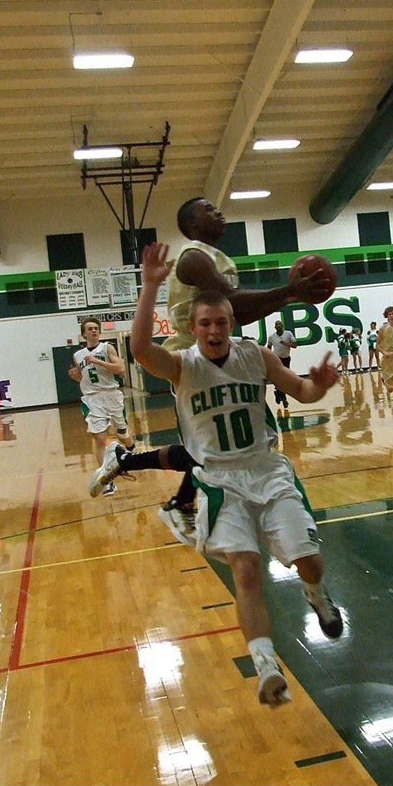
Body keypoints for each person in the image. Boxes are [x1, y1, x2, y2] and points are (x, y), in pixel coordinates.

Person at [130, 241, 344, 708]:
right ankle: (266, 665)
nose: (213, 330)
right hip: (219, 481)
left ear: (232, 324)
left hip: (267, 471)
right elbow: (140, 347)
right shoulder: (182, 366)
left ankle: (316, 591)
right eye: (205, 323)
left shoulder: (256, 356)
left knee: (307, 560)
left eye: (221, 322)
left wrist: (319, 386)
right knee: (245, 570)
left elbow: (301, 391)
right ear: (192, 328)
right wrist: (149, 287)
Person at [89, 197, 329, 536]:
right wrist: (289, 292)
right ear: (191, 224)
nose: (218, 211)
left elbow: (236, 312)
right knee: (220, 449)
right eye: (208, 209)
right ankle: (177, 500)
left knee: (215, 446)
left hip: (222, 358)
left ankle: (138, 470)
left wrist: (289, 295)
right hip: (191, 359)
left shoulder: (216, 258)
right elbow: (230, 303)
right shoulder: (193, 259)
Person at [71, 317, 136, 497]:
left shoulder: (107, 348)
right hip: (92, 399)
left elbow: (121, 369)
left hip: (111, 396)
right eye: (90, 329)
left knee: (123, 434)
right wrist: (76, 377)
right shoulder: (78, 355)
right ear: (84, 334)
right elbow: (84, 377)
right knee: (99, 439)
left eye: (96, 328)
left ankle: (131, 448)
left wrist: (98, 362)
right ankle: (106, 481)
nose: (94, 331)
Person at [265, 319, 297, 410]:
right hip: (276, 359)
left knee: (285, 379)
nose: (278, 325)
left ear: (282, 326)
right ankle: (284, 398)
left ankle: (278, 393)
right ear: (275, 327)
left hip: (286, 359)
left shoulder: (288, 334)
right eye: (276, 324)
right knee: (279, 378)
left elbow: (295, 345)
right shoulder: (271, 337)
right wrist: (268, 358)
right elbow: (269, 347)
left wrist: (286, 343)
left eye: (279, 324)